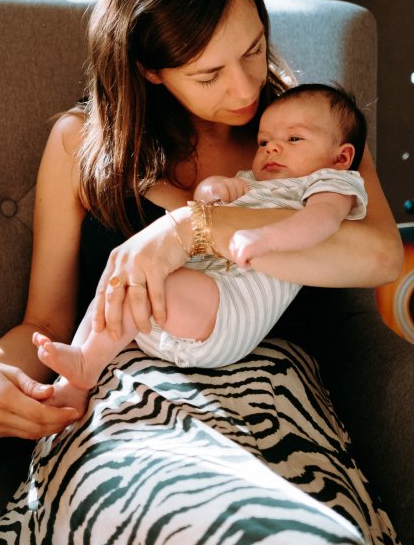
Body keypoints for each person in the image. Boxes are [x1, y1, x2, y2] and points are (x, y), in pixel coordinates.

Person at [0, 0, 409, 545]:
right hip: (126, 402)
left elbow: (380, 257)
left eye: (254, 48)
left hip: (272, 403)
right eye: (209, 72)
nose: (245, 87)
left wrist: (185, 228)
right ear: (151, 68)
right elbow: (46, 323)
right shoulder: (79, 144)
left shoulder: (311, 130)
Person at [32, 83, 369, 416]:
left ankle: (86, 366)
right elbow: (201, 203)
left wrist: (266, 239)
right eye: (264, 141)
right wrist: (212, 190)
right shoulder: (251, 182)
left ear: (342, 156)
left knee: (147, 283)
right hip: (186, 311)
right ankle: (73, 382)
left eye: (293, 139)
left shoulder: (332, 183)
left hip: (230, 315)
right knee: (122, 279)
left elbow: (319, 223)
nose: (273, 149)